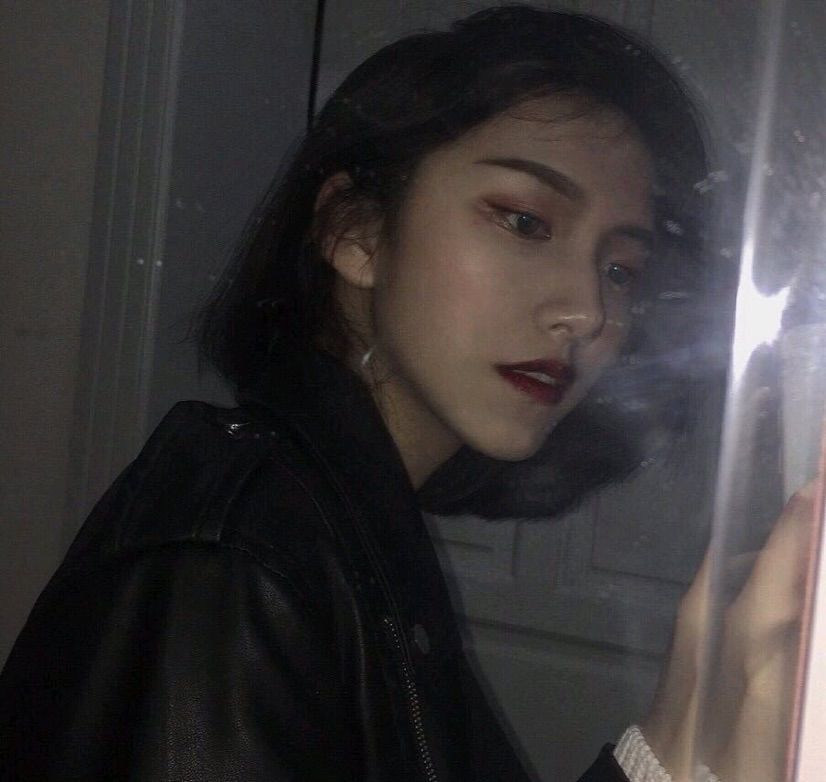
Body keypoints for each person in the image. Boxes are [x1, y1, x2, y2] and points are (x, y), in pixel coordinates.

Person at [0, 6, 810, 781]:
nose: (588, 311)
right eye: (525, 221)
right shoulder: (235, 565)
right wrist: (667, 744)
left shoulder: (350, 522)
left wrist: (673, 737)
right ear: (354, 232)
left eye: (621, 269)